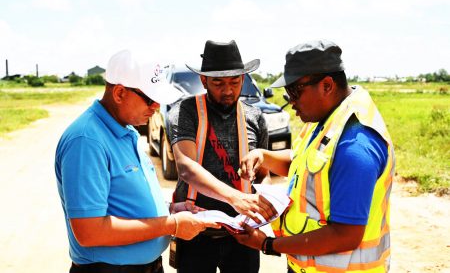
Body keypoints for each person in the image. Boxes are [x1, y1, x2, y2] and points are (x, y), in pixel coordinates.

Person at [235, 40, 395, 273]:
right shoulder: (325, 118)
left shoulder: (355, 146)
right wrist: (263, 156)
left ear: (327, 85)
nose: (290, 103)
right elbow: (303, 163)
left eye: (294, 92)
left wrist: (267, 244)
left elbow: (345, 234)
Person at [55, 50, 220, 273]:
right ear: (120, 93)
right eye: (150, 100)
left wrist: (168, 209)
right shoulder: (87, 140)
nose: (155, 108)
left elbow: (124, 200)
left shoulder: (125, 130)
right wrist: (172, 224)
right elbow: (89, 231)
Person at [168, 40, 277, 273]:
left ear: (243, 79)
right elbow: (186, 168)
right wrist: (235, 198)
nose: (228, 90)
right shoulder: (185, 112)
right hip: (196, 234)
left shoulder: (256, 118)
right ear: (204, 80)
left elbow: (263, 176)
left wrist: (266, 199)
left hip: (243, 237)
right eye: (218, 83)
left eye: (235, 82)